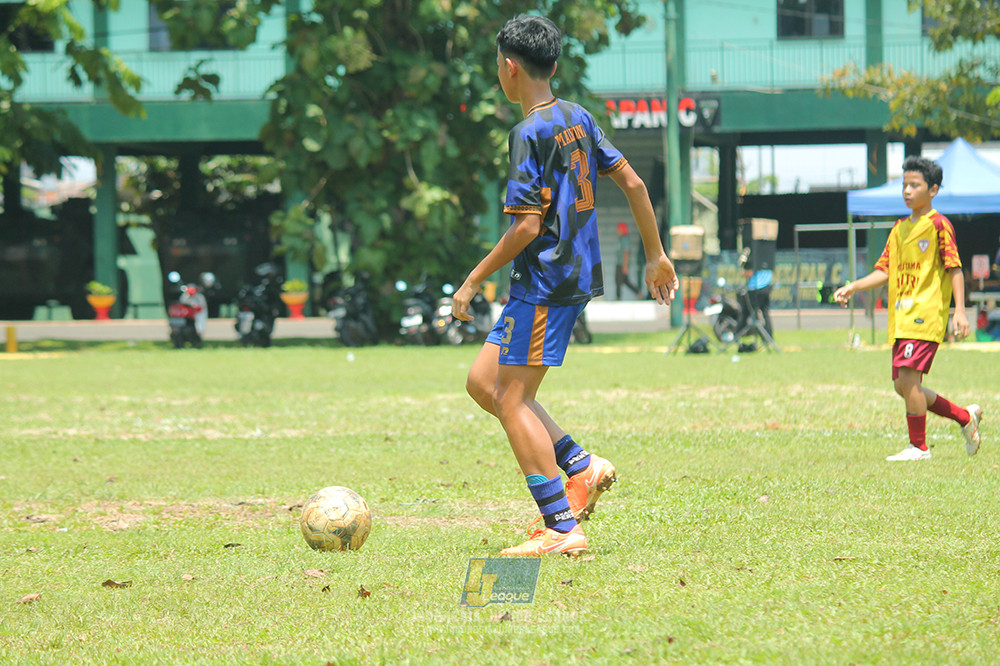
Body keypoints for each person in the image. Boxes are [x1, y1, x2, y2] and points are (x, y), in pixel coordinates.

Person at [451, 14, 678, 556]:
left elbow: (526, 225)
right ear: (550, 65)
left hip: (546, 283)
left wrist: (470, 280)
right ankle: (581, 465)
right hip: (562, 278)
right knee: (484, 383)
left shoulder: (528, 133)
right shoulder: (577, 117)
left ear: (509, 68)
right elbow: (634, 182)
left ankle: (559, 526)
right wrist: (656, 255)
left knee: (512, 400)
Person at [833, 156, 982, 461]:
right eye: (904, 185)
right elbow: (884, 270)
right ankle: (964, 417)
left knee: (910, 381)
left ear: (933, 189)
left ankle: (919, 447)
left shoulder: (939, 225)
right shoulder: (899, 228)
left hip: (925, 314)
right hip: (901, 317)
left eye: (915, 185)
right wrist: (853, 286)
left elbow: (955, 268)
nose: (907, 191)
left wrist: (961, 312)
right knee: (903, 386)